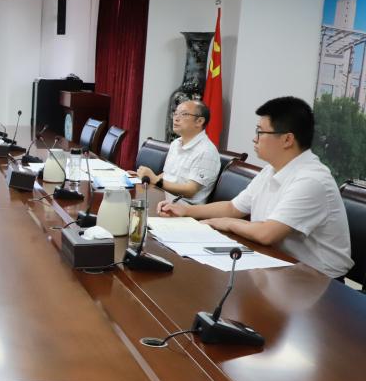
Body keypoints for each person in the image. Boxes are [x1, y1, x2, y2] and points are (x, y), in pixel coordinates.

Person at [157, 96, 353, 279]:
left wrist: (224, 222)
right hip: (276, 262)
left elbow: (267, 233)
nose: (254, 138)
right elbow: (233, 208)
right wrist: (185, 210)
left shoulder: (312, 180)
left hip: (319, 280)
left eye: (260, 132)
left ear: (287, 139)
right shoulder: (271, 170)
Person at [131, 99, 219, 204]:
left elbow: (190, 191)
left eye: (184, 114)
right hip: (164, 198)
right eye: (175, 113)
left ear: (199, 121)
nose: (176, 118)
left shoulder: (206, 151)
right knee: (128, 197)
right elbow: (168, 174)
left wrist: (156, 181)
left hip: (184, 207)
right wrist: (147, 178)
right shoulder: (176, 143)